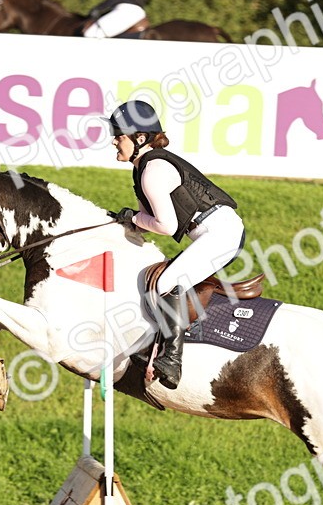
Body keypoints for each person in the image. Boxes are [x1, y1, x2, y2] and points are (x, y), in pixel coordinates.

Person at [105, 100, 245, 390]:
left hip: (220, 233)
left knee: (166, 282)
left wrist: (133, 218)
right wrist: (133, 219)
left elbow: (166, 226)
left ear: (139, 138)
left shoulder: (152, 169)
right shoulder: (147, 164)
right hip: (212, 230)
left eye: (118, 135)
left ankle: (172, 360)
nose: (114, 141)